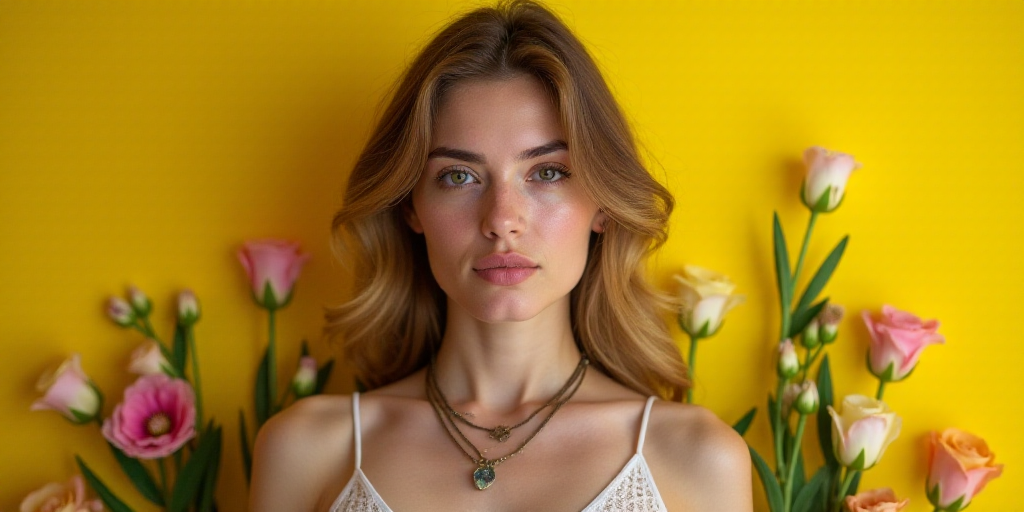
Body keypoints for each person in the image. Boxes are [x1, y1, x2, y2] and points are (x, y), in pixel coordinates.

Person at [250, 1, 752, 510]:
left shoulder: (697, 458)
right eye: (458, 176)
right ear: (411, 207)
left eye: (547, 172)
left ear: (603, 201)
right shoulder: (306, 450)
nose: (501, 219)